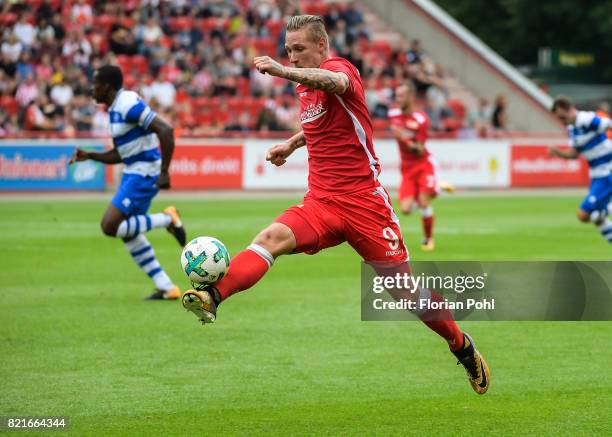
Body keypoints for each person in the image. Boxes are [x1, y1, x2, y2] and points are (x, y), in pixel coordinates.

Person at [181, 15, 490, 395]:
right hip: (321, 202)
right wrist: (291, 145)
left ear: (322, 47)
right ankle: (212, 297)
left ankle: (461, 346)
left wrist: (280, 71)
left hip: (365, 204)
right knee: (271, 237)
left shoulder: (338, 69)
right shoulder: (306, 88)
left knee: (405, 292)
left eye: (299, 50)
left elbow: (337, 83)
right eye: (288, 51)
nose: (292, 57)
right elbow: (322, 124)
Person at [69, 65, 186, 300]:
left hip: (144, 173)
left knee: (109, 225)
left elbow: (165, 130)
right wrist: (90, 155)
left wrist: (164, 171)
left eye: (95, 84)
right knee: (128, 231)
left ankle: (168, 218)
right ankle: (166, 287)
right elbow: (120, 154)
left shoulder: (127, 104)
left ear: (107, 87)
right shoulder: (115, 110)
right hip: (134, 171)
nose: (92, 90)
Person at [388, 82, 452, 251]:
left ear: (411, 97)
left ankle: (428, 240)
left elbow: (419, 149)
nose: (398, 99)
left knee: (424, 202)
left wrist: (404, 138)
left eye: (401, 96)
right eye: (397, 96)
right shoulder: (393, 113)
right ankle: (435, 188)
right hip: (407, 169)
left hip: (423, 164)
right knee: (406, 209)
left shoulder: (421, 119)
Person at [550, 96, 612, 244]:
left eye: (562, 117)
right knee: (596, 218)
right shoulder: (572, 129)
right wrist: (558, 152)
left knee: (584, 214)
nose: (562, 121)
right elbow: (574, 154)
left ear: (569, 109)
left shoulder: (586, 119)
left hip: (607, 171)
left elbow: (609, 124)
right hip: (596, 175)